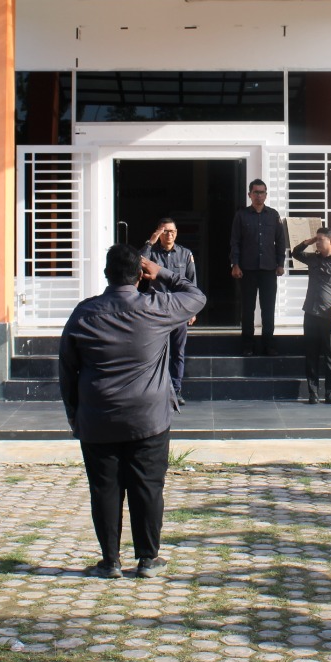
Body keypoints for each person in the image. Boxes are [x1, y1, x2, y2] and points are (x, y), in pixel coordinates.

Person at [59, 245, 207, 579]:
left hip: (98, 417)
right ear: (141, 275)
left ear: (106, 274)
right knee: (148, 487)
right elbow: (196, 296)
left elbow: (67, 368)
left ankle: (110, 561)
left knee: (105, 489)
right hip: (149, 417)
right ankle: (147, 559)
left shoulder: (85, 312)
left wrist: (73, 413)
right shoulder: (157, 307)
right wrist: (164, 272)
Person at [139, 219, 198, 406]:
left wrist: (192, 310)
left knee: (178, 351)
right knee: (155, 351)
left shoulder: (185, 254)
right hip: (157, 309)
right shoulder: (153, 253)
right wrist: (151, 241)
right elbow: (138, 263)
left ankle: (176, 390)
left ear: (177, 232)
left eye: (172, 231)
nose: (169, 235)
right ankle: (156, 391)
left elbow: (191, 283)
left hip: (178, 309)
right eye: (165, 231)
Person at [291, 227, 331, 404]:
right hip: (311, 312)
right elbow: (296, 253)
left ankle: (330, 392)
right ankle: (313, 393)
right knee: (311, 354)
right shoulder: (312, 259)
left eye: (321, 240)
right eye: (316, 240)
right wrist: (308, 242)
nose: (317, 243)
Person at [228, 179, 286, 356]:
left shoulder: (273, 215)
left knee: (268, 308)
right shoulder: (241, 215)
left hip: (269, 268)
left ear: (266, 195)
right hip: (247, 269)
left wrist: (281, 263)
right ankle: (247, 345)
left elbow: (281, 241)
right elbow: (235, 241)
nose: (259, 196)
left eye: (262, 192)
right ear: (249, 195)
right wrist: (235, 264)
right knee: (248, 309)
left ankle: (269, 344)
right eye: (256, 192)